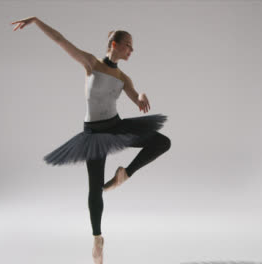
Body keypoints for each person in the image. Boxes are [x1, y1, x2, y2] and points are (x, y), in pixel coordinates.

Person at [11, 17, 171, 264]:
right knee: (95, 187)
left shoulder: (123, 77)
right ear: (115, 44)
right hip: (94, 134)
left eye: (132, 46)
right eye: (128, 45)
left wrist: (141, 94)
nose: (132, 50)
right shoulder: (91, 63)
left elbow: (135, 98)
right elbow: (60, 40)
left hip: (116, 127)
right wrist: (35, 21)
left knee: (162, 142)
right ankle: (97, 239)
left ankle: (125, 174)